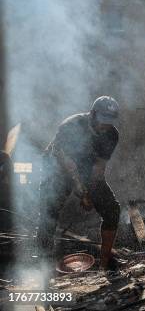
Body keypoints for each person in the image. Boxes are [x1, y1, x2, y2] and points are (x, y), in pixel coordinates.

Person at [38, 96, 121, 270]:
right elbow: (67, 164)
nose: (105, 126)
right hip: (58, 167)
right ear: (92, 114)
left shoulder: (112, 135)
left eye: (109, 121)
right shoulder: (71, 126)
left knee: (112, 209)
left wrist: (92, 193)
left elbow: (99, 168)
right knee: (49, 211)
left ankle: (104, 265)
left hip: (86, 169)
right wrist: (83, 193)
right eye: (102, 120)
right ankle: (43, 268)